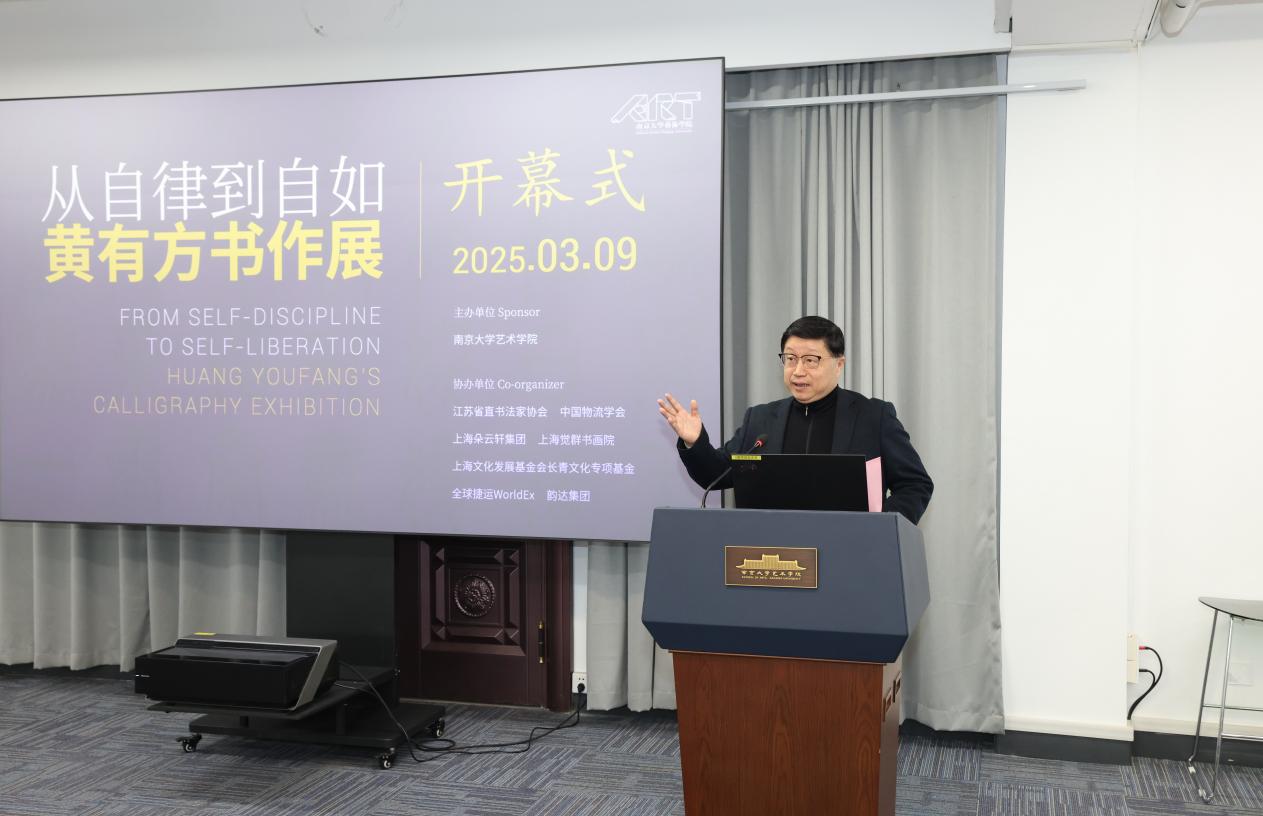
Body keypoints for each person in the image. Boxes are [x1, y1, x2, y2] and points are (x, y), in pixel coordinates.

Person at [658, 315, 933, 524]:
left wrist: (882, 525)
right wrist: (695, 442)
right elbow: (716, 475)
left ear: (838, 364)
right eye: (790, 359)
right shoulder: (761, 419)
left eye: (811, 360)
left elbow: (915, 485)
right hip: (776, 555)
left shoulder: (873, 416)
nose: (798, 370)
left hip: (851, 553)